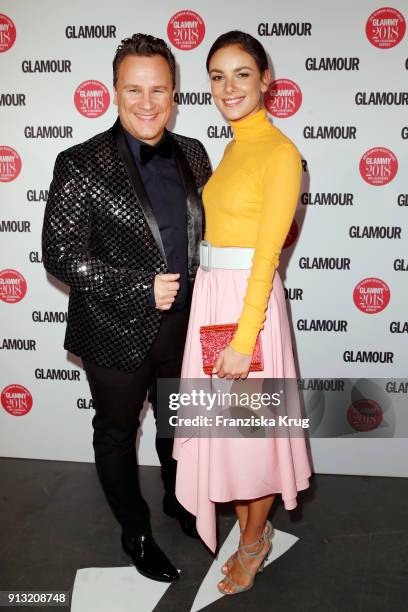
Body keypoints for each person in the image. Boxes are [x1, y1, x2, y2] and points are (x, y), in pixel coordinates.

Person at [42, 33, 211, 583]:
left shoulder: (193, 153)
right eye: (134, 89)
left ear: (174, 92)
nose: (147, 102)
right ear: (114, 92)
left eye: (158, 89)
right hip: (113, 331)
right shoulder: (80, 162)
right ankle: (134, 530)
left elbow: (210, 234)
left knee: (175, 424)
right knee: (116, 433)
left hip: (183, 326)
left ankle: (179, 502)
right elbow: (60, 254)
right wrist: (141, 287)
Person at [173, 31, 312, 595]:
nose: (228, 87)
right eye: (217, 76)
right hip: (215, 300)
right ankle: (253, 530)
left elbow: (267, 257)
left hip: (245, 309)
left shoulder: (280, 153)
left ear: (266, 81)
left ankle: (254, 541)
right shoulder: (232, 147)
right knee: (226, 436)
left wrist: (244, 336)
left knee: (249, 439)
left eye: (241, 74)